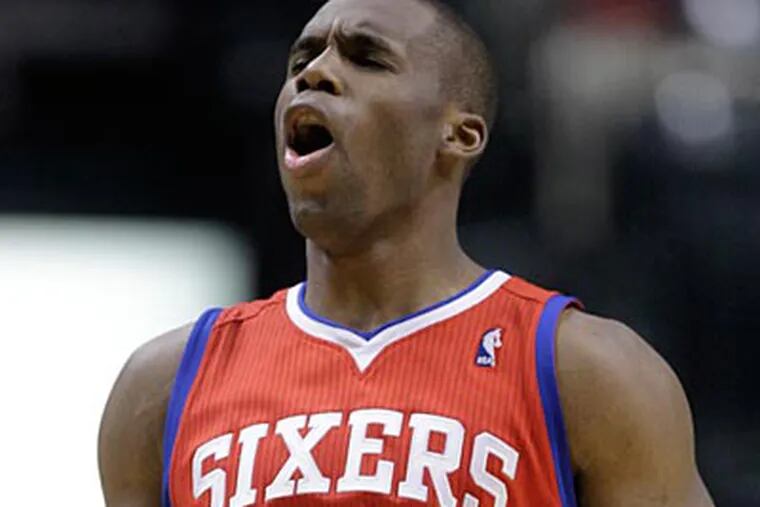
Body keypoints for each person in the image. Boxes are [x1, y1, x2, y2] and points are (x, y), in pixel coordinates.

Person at [99, 0, 715, 505]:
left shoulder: (589, 372)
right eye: (302, 60)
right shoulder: (164, 385)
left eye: (366, 58)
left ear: (460, 133)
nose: (314, 74)